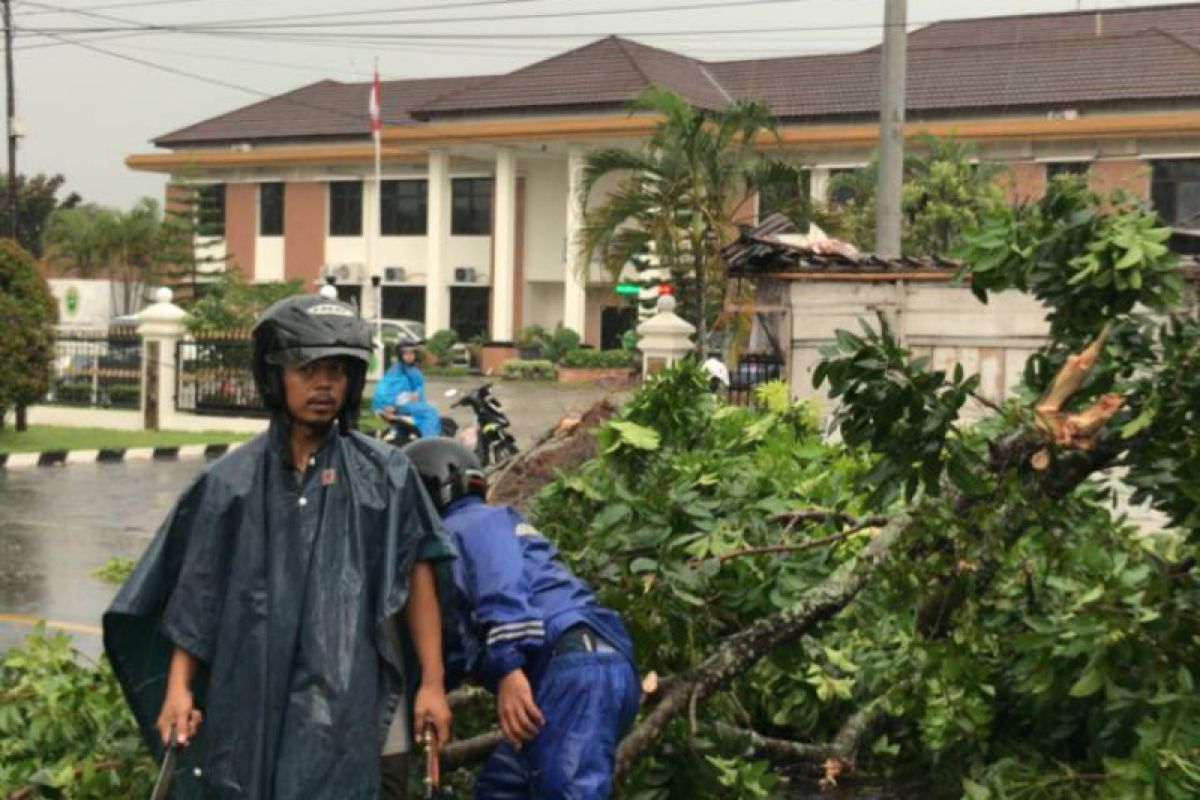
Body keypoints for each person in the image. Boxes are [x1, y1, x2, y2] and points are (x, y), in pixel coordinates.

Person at [104, 294, 456, 800]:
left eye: (337, 370)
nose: (323, 383)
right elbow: (196, 595)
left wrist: (432, 684)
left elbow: (418, 573)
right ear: (275, 375)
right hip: (255, 706)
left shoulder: (385, 475)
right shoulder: (231, 485)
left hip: (364, 715)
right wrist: (178, 689)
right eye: (307, 367)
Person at [401, 438, 640, 800]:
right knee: (502, 788)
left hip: (571, 666)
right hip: (576, 668)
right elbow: (456, 642)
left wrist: (508, 669)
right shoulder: (487, 523)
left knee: (565, 790)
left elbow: (501, 583)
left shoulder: (468, 523)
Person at [374, 341, 442, 438]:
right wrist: (387, 404)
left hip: (410, 403)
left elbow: (419, 385)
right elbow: (385, 388)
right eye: (406, 353)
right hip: (401, 404)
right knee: (431, 412)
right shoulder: (396, 370)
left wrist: (417, 392)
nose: (409, 356)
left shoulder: (412, 369)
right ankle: (430, 442)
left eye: (411, 353)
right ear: (401, 355)